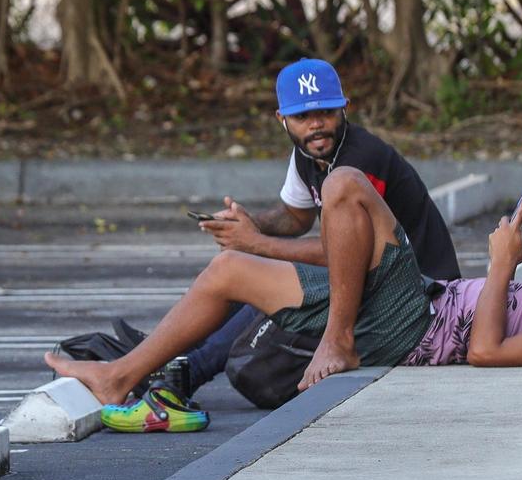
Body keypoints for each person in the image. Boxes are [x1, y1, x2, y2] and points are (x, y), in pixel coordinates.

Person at [44, 165, 522, 404]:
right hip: (417, 304)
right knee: (228, 271)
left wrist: (500, 266)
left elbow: (488, 354)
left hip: (417, 327)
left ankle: (339, 339)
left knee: (347, 183)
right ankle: (121, 375)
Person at [148, 58, 462, 395]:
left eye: (326, 113)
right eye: (302, 117)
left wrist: (255, 243)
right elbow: (294, 217)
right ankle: (175, 360)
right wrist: (250, 225)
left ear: (345, 110)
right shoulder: (308, 155)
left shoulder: (360, 161)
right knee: (254, 272)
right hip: (376, 283)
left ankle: (188, 371)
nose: (316, 126)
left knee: (264, 279)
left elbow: (341, 254)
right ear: (282, 120)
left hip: (423, 292)